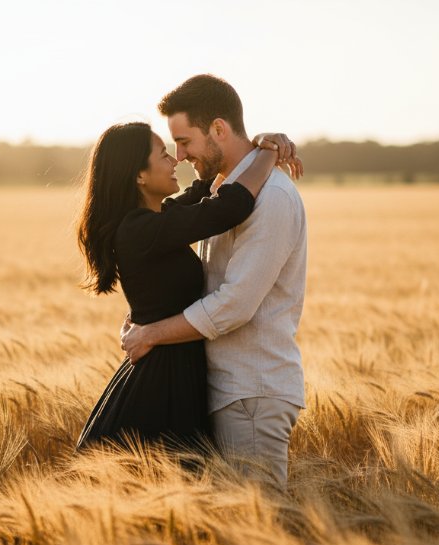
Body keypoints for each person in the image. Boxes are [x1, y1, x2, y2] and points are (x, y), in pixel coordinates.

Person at [121, 75, 308, 487]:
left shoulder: (271, 197)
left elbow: (234, 304)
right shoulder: (223, 192)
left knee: (260, 532)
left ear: (218, 129)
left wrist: (151, 333)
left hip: (252, 393)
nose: (180, 155)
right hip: (224, 390)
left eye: (185, 141)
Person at [74, 120, 299, 454]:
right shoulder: (140, 229)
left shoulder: (156, 219)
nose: (175, 160)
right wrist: (268, 153)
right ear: (139, 175)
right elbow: (230, 206)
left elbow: (208, 186)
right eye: (163, 154)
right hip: (163, 381)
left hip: (176, 370)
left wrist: (253, 145)